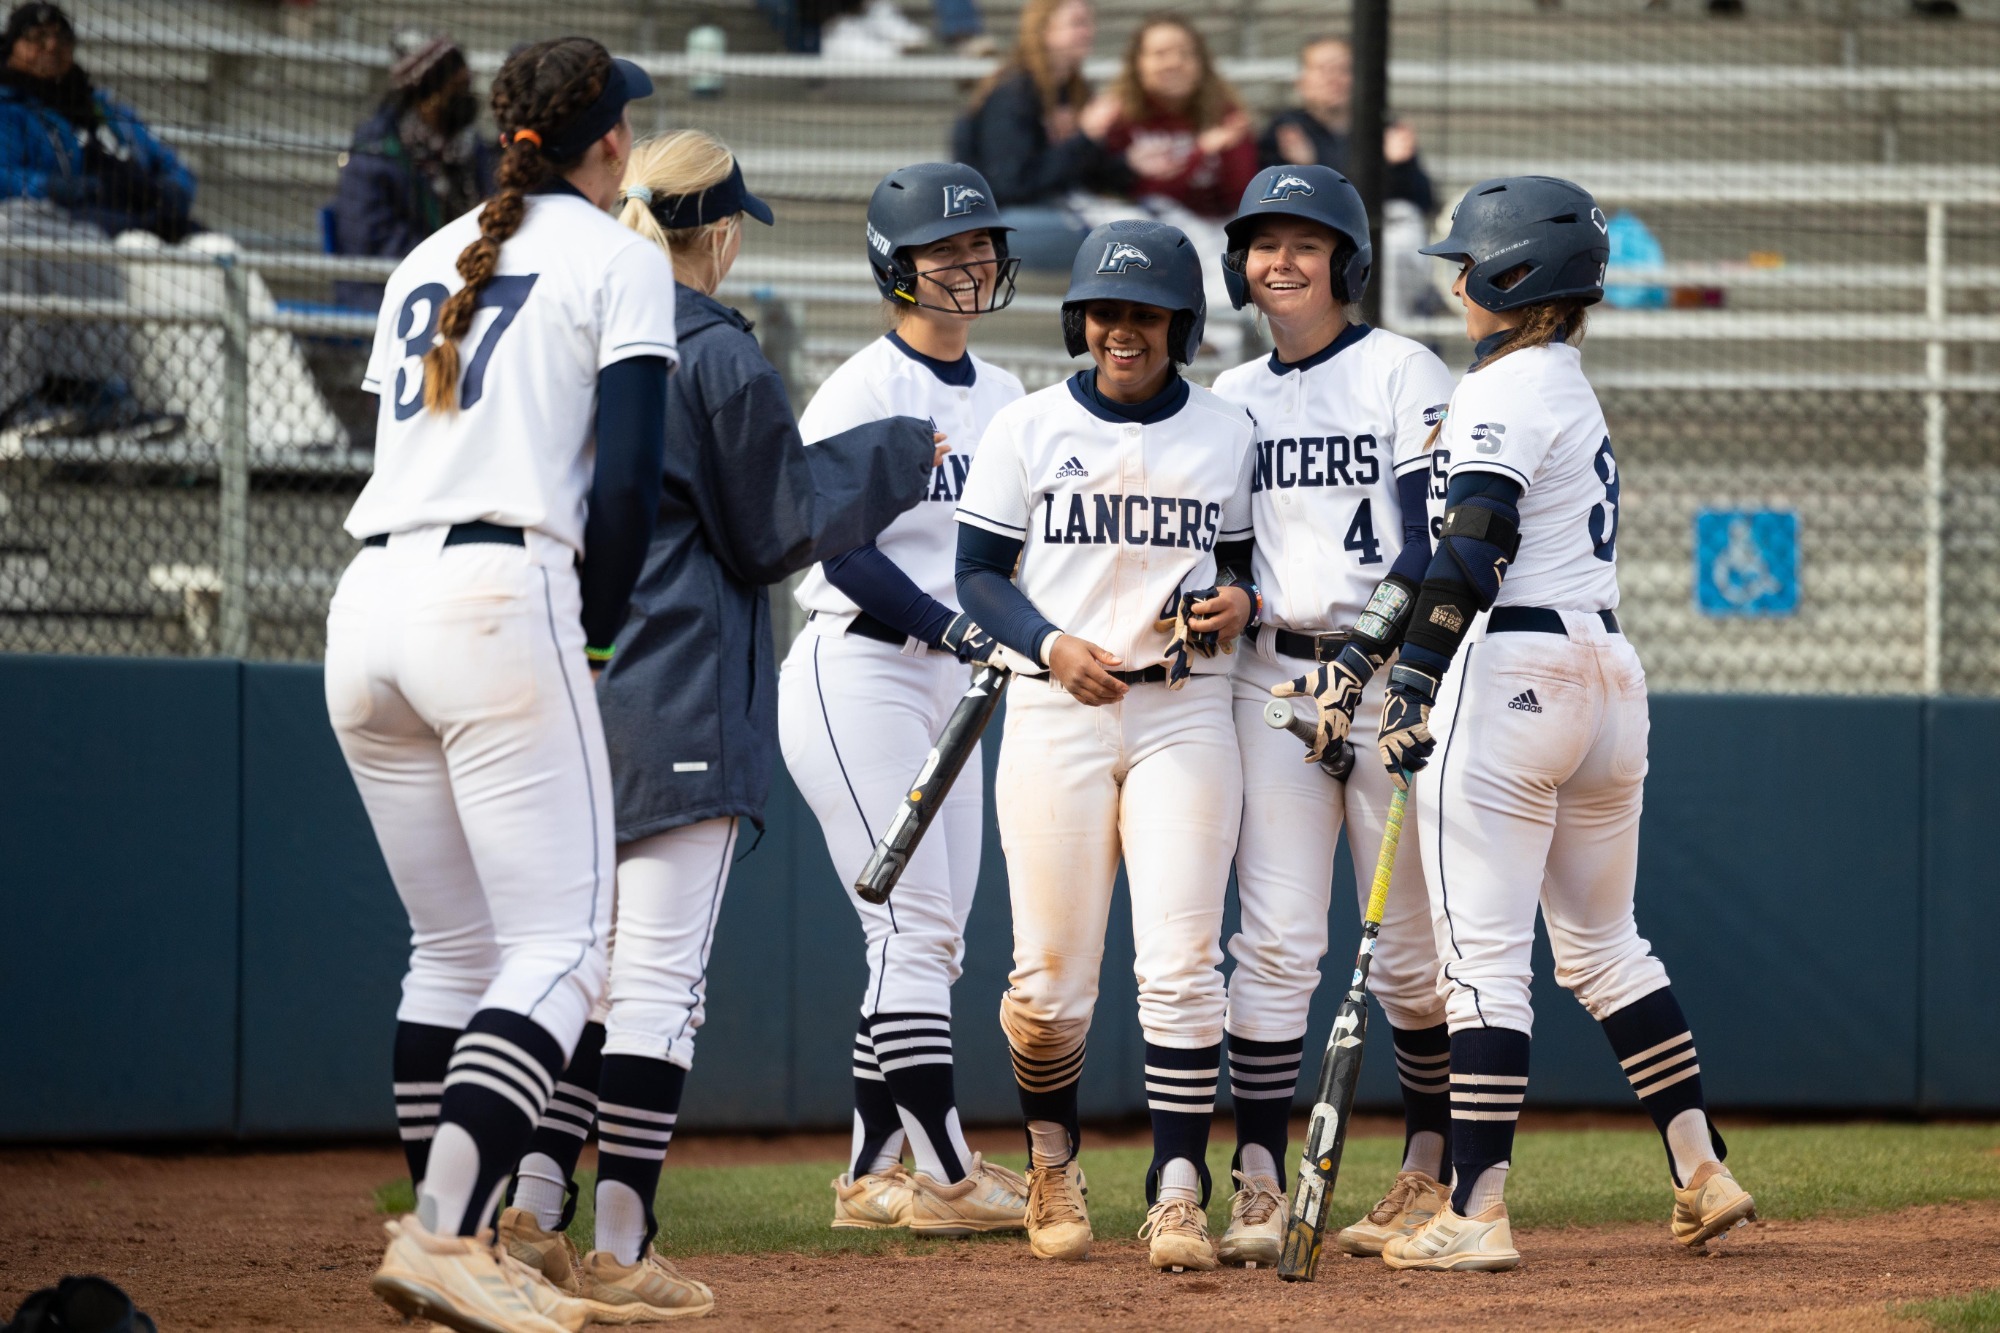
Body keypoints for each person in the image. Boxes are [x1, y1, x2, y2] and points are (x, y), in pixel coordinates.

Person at [490, 131, 941, 1322]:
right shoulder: (709, 345)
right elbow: (770, 526)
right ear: (723, 235)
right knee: (657, 986)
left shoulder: (564, 327)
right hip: (675, 677)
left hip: (558, 672)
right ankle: (623, 1244)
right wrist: (895, 452)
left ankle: (531, 1215)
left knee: (581, 977)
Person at [328, 37, 677, 1333]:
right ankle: (442, 1235)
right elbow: (629, 486)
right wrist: (590, 636)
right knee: (563, 952)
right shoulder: (619, 255)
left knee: (452, 949)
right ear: (607, 140)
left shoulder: (431, 251)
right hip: (497, 590)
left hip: (368, 600)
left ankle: (451, 1238)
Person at [1370, 176, 1755, 1271]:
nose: (1452, 279)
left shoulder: (1496, 391)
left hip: (1509, 671)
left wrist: (1410, 676)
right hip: (1605, 673)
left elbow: (1472, 546)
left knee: (1482, 961)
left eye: (1465, 261)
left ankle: (1476, 1210)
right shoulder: (1566, 387)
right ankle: (1699, 1168)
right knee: (1603, 947)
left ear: (1506, 274)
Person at [953, 219, 1258, 1272]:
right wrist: (1042, 641)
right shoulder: (1027, 426)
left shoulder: (1225, 430)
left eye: (1143, 315)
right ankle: (1050, 1157)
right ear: (1078, 318)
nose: (1120, 332)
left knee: (1180, 965)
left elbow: (1238, 565)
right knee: (1046, 984)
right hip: (1056, 707)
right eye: (1104, 312)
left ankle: (1178, 1189)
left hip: (1183, 709)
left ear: (1181, 323)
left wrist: (1236, 599)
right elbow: (977, 575)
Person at [1204, 164, 1459, 1267]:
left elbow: (1424, 542)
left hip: (1386, 675)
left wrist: (1366, 666)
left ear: (1345, 258)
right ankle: (1256, 1177)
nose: (1282, 261)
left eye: (1304, 242)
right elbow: (1218, 553)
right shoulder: (1226, 395)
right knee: (1271, 942)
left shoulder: (1401, 368)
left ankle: (1425, 1167)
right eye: (1264, 243)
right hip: (1271, 683)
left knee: (1403, 951)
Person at [777, 162, 1030, 1238]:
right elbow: (838, 554)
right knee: (912, 929)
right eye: (945, 251)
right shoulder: (860, 389)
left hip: (953, 679)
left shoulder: (1012, 394)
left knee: (931, 940)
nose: (969, 266)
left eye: (979, 248)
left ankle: (871, 1174)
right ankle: (949, 1171)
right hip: (860, 664)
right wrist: (960, 627)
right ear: (895, 266)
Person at [952, 0, 1129, 270]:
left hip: (1056, 208)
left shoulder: (1073, 92)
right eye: (1077, 23)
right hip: (1000, 224)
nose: (1088, 32)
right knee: (1126, 244)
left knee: (1150, 225)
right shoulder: (1012, 94)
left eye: (1089, 22)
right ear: (1044, 30)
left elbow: (1091, 174)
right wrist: (1085, 137)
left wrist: (1137, 167)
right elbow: (1012, 185)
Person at [0, 2, 194, 241]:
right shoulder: (8, 110)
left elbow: (171, 165)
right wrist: (61, 188)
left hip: (147, 220)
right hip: (68, 227)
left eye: (61, 37)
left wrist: (171, 190)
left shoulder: (104, 107)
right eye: (37, 37)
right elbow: (4, 176)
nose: (51, 46)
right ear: (12, 48)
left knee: (218, 247)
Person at [330, 32, 496, 309]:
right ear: (424, 97)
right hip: (386, 294)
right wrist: (454, 257)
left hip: (459, 287)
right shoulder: (376, 155)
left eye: (467, 87)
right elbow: (374, 243)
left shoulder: (471, 149)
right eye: (456, 91)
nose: (466, 100)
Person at [1095, 16, 1256, 222]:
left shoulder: (1224, 115)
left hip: (1215, 229)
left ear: (1202, 64)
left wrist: (1228, 150)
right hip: (1145, 232)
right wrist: (1201, 152)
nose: (1174, 63)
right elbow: (1140, 198)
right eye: (1160, 54)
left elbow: (1240, 198)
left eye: (1185, 54)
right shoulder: (1117, 117)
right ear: (1137, 63)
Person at [1257, 37, 1434, 218]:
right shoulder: (1286, 128)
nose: (1334, 79)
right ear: (1301, 81)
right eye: (1323, 70)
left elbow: (1424, 201)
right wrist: (1302, 169)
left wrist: (1397, 167)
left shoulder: (1385, 128)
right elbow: (1266, 198)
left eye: (1344, 70)